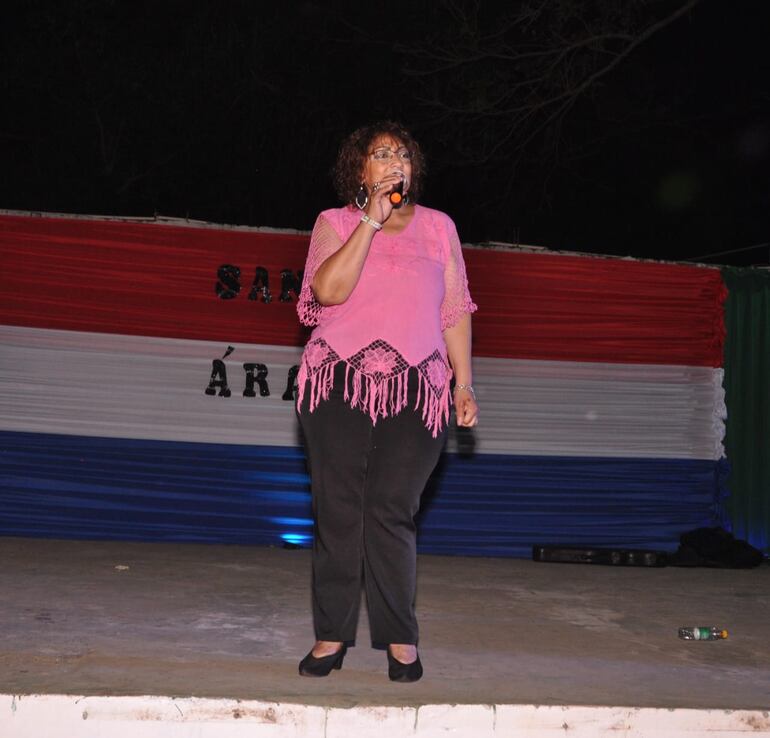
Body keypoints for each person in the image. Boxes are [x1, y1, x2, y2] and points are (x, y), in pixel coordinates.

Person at [295, 121, 478, 682]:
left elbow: (455, 310)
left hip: (417, 385)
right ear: (361, 170)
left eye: (402, 153)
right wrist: (370, 221)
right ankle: (331, 635)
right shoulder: (336, 223)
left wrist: (463, 383)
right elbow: (326, 293)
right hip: (338, 381)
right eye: (381, 153)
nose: (394, 160)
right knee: (339, 510)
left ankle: (400, 638)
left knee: (393, 509)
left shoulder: (439, 227)